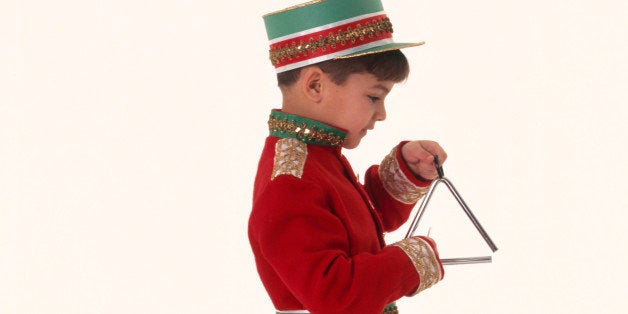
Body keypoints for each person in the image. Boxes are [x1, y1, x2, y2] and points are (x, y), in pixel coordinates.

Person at [249, 1, 447, 313]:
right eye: (374, 97)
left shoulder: (317, 158)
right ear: (315, 85)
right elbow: (334, 294)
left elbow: (355, 227)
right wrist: (410, 262)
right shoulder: (291, 180)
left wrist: (404, 173)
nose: (381, 114)